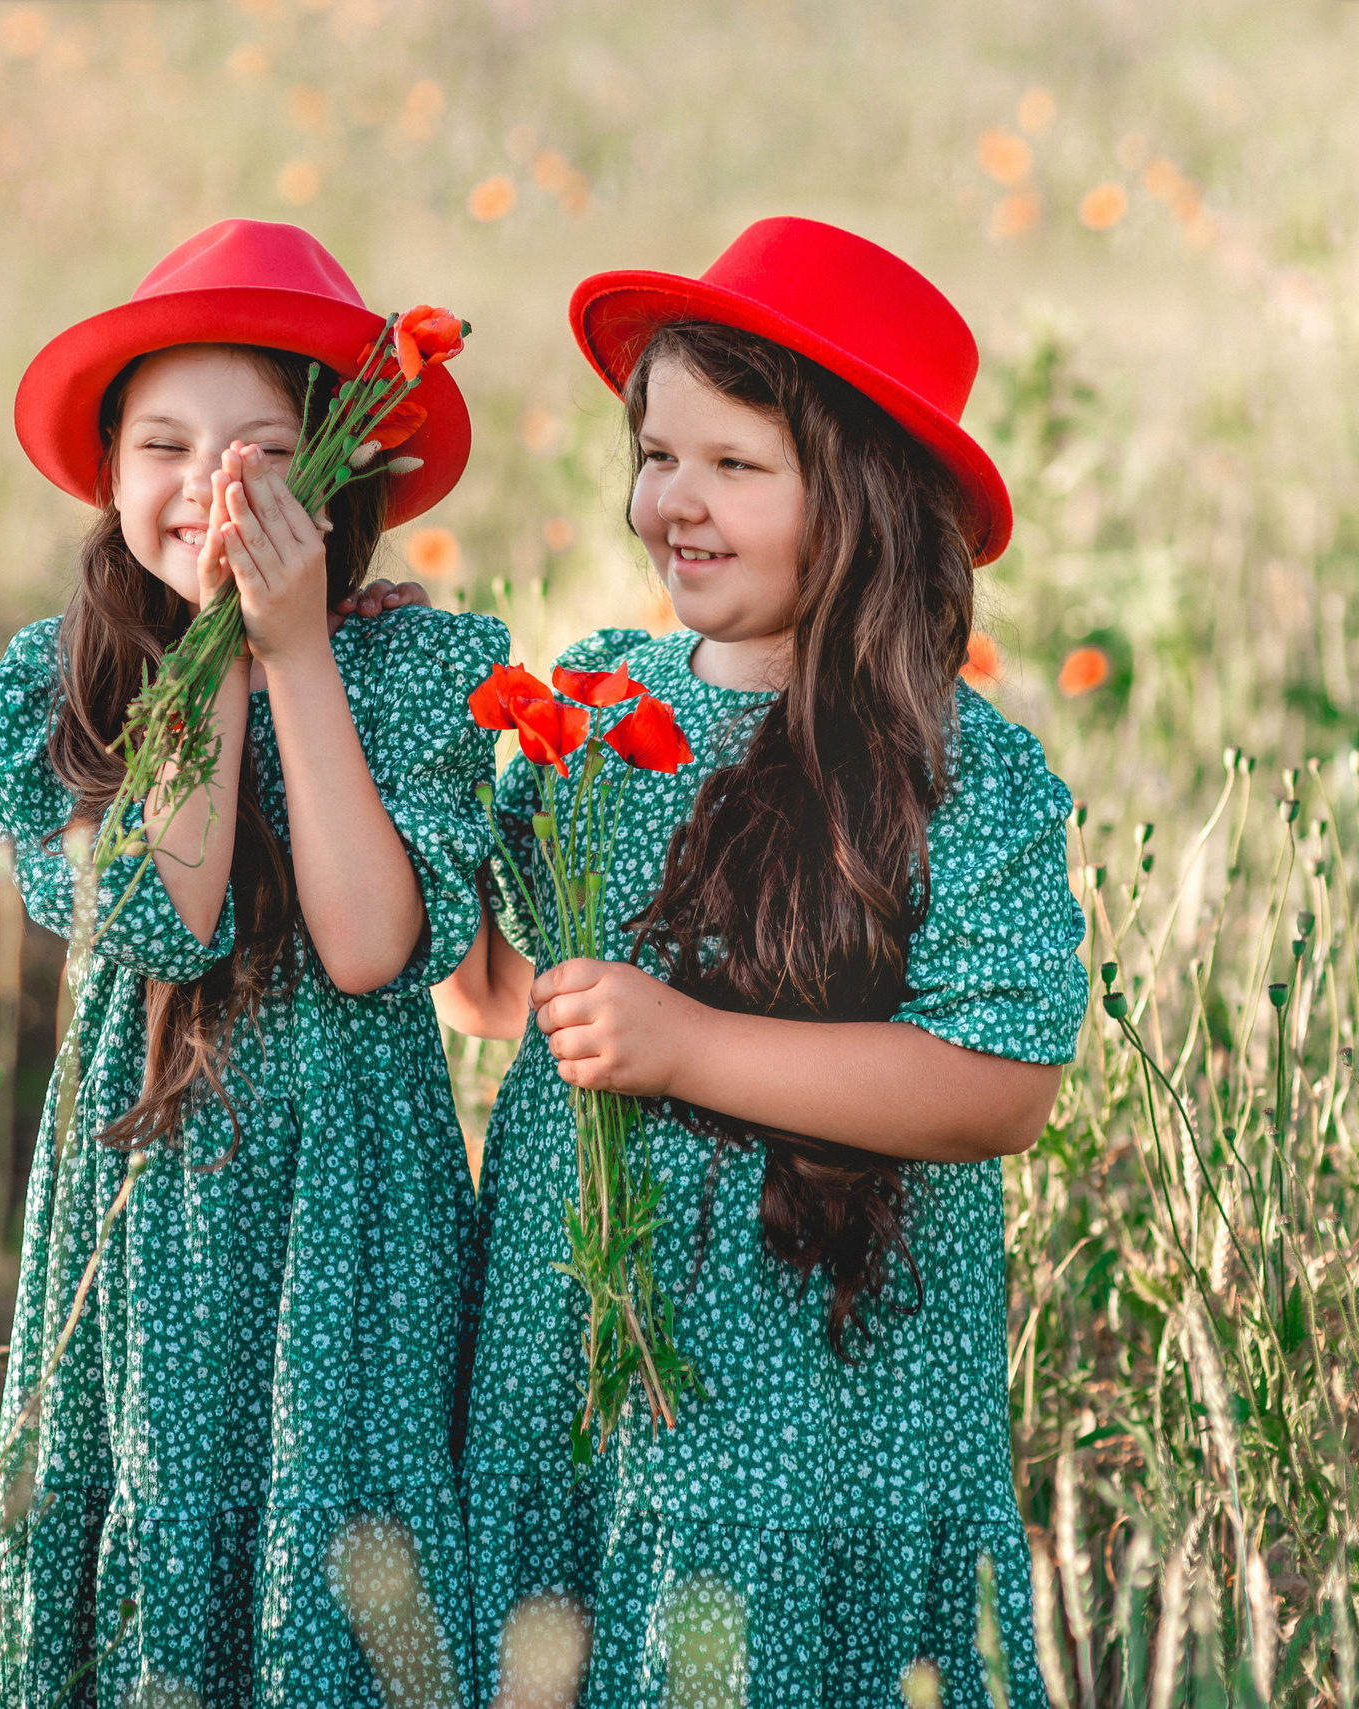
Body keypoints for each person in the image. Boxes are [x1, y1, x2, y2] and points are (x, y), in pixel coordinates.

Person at [437, 217, 1086, 1707]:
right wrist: (403, 772)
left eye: (736, 465)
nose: (676, 500)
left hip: (820, 1396)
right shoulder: (594, 702)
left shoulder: (951, 769)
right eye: (658, 454)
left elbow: (997, 1088)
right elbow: (491, 998)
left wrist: (686, 1046)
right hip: (582, 1358)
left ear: (856, 498)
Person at [0, 219, 507, 1706]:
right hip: (151, 1215)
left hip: (350, 1219)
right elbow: (162, 916)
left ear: (346, 486)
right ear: (106, 473)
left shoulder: (414, 670)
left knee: (344, 1547)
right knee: (162, 1508)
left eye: (270, 450)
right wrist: (212, 650)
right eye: (167, 444)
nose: (216, 487)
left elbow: (370, 941)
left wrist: (296, 654)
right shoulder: (62, 679)